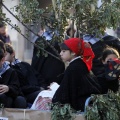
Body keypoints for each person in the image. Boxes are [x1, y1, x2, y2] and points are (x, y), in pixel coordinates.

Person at [52, 38, 101, 111]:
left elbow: (65, 92)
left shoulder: (73, 68)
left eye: (64, 51)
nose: (60, 53)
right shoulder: (80, 64)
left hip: (79, 105)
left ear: (73, 53)